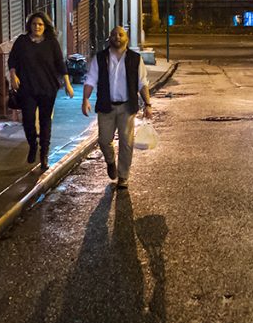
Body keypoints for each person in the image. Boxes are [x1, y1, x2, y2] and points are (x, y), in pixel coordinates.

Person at [81, 26, 153, 190]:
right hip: (106, 106)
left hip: (127, 107)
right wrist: (85, 99)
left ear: (126, 38)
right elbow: (91, 79)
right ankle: (110, 161)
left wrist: (148, 104)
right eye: (114, 34)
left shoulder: (135, 59)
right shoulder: (100, 58)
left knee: (126, 143)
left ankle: (123, 176)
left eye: (121, 34)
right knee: (104, 141)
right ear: (109, 38)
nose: (117, 37)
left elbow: (143, 83)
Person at [8, 11, 74, 171]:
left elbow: (60, 63)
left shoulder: (51, 42)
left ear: (45, 26)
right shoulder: (22, 41)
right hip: (27, 87)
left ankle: (44, 155)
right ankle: (32, 144)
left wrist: (67, 83)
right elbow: (12, 59)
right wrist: (13, 74)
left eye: (40, 24)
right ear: (29, 26)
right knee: (28, 120)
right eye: (34, 24)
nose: (37, 27)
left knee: (45, 121)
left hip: (47, 87)